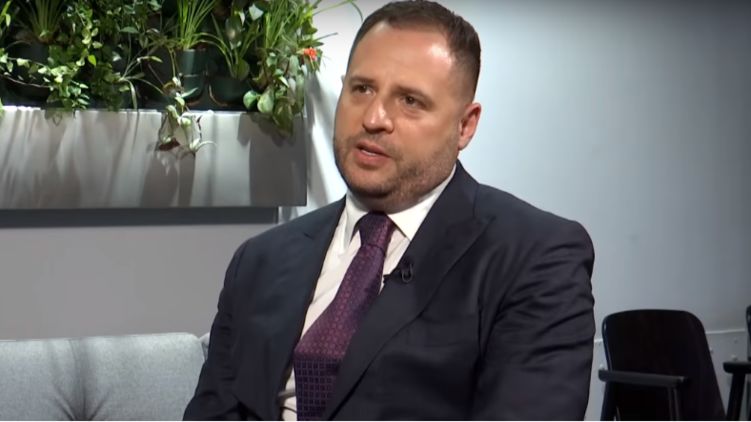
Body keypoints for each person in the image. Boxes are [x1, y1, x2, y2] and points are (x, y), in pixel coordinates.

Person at [184, 0, 595, 420]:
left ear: (465, 126)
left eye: (410, 100)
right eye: (362, 89)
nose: (374, 118)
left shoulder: (535, 259)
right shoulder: (260, 260)